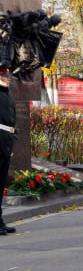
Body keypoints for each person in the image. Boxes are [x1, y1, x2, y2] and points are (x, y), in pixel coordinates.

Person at [0, 68, 16, 235]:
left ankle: (0, 221)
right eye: (4, 76)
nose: (8, 78)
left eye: (9, 76)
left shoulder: (7, 94)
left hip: (6, 141)